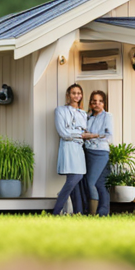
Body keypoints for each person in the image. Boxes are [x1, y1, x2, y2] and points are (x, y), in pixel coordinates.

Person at [52, 84, 88, 215]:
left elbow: (85, 132)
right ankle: (56, 211)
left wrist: (82, 135)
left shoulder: (83, 113)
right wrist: (80, 135)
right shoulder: (60, 110)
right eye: (73, 93)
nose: (76, 96)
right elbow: (63, 133)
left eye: (79, 93)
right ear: (68, 95)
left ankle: (78, 213)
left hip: (79, 148)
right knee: (75, 177)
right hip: (68, 148)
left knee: (76, 182)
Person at [83, 90, 113, 216]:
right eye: (94, 101)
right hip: (87, 151)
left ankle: (96, 211)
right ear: (90, 103)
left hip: (100, 152)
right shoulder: (88, 117)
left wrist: (91, 135)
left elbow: (108, 135)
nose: (97, 103)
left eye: (100, 101)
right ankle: (102, 213)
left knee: (91, 182)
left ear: (104, 104)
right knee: (100, 183)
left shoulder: (107, 116)